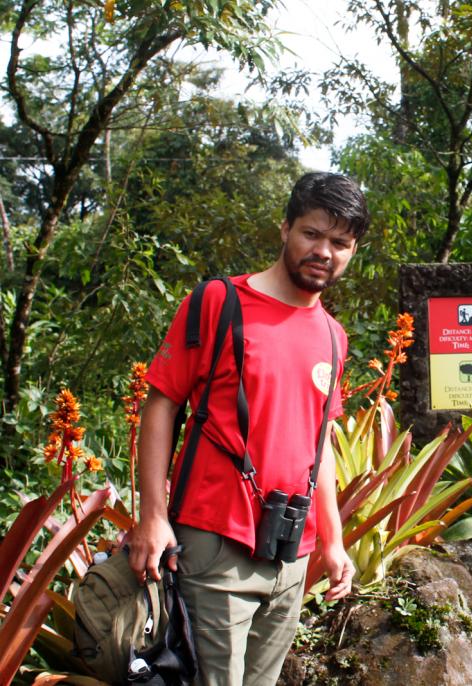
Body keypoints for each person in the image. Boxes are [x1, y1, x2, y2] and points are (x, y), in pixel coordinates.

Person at [129, 172, 366, 685]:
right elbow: (161, 404)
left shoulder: (333, 335)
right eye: (311, 233)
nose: (324, 251)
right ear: (285, 228)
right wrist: (152, 516)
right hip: (214, 542)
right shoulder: (219, 302)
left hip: (291, 553)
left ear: (352, 251)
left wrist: (332, 540)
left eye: (340, 242)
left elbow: (320, 443)